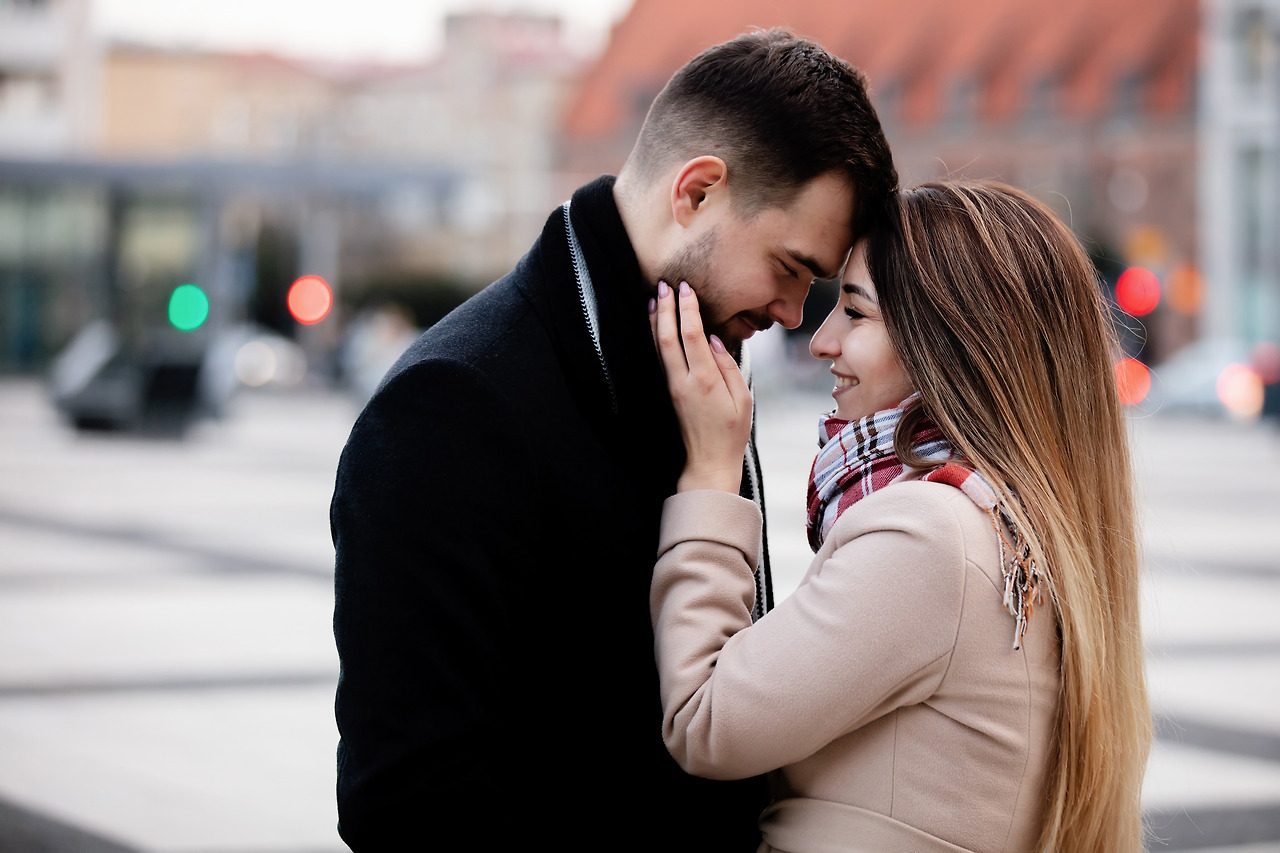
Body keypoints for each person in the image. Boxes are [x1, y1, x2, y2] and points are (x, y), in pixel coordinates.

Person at [329, 29, 898, 849]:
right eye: (789, 267)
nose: (789, 313)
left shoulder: (699, 368)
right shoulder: (451, 403)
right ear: (696, 192)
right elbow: (409, 803)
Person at [649, 181, 1151, 852]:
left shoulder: (931, 533)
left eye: (855, 314)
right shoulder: (1015, 517)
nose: (820, 339)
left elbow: (706, 720)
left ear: (947, 344)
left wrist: (712, 474)